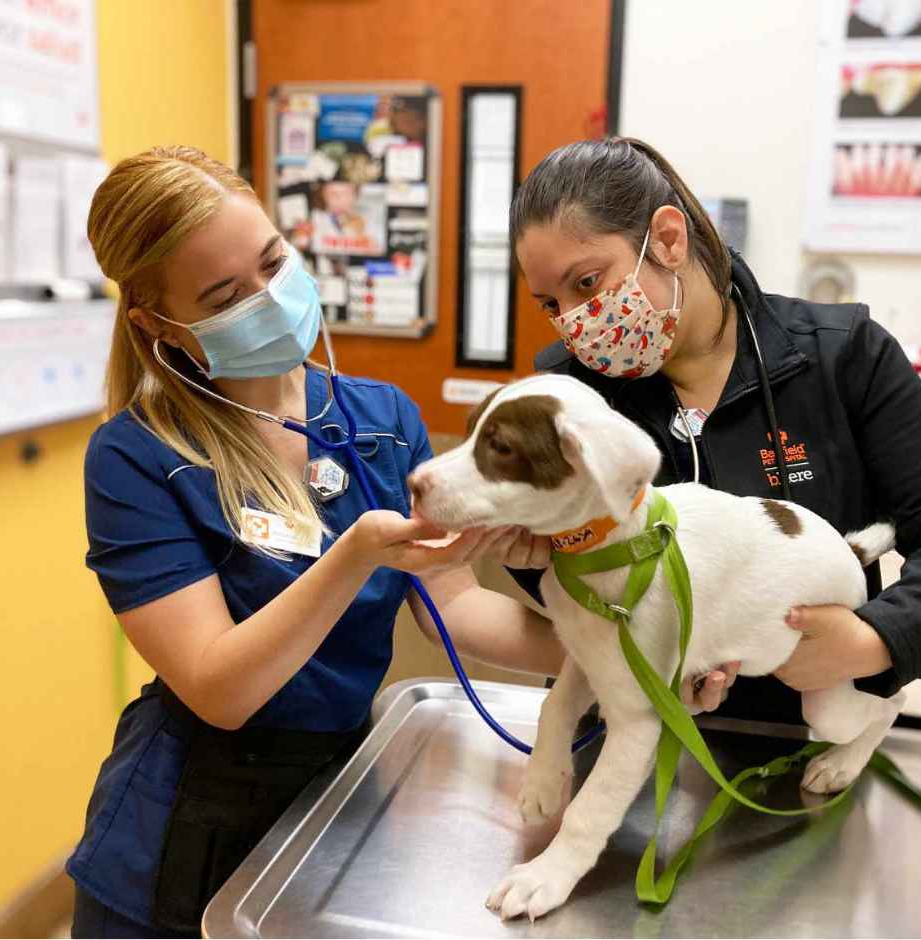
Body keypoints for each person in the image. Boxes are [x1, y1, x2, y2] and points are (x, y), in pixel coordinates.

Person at [68, 146, 562, 938]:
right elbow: (219, 689)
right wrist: (354, 555)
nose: (269, 299)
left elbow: (453, 606)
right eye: (226, 294)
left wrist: (613, 648)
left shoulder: (380, 417)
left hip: (336, 790)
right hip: (188, 821)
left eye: (273, 262)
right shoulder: (135, 458)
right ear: (157, 325)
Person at [505, 136, 921, 723]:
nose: (575, 321)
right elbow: (557, 578)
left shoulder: (842, 358)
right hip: (630, 726)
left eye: (588, 283)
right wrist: (542, 554)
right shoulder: (570, 397)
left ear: (669, 239)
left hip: (804, 735)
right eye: (551, 303)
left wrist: (875, 640)